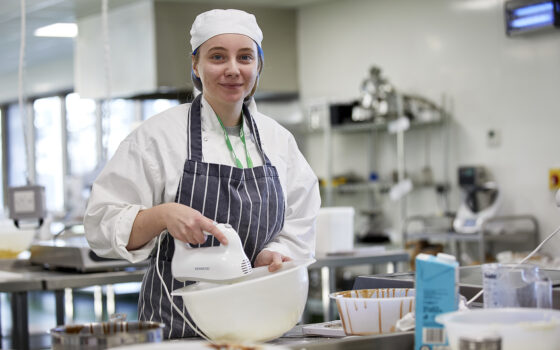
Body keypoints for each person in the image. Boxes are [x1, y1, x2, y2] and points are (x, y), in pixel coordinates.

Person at [84, 9, 320, 339]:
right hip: (177, 328)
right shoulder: (159, 136)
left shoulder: (279, 141)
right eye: (218, 57)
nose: (233, 70)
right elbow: (100, 222)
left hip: (260, 325)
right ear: (195, 65)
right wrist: (162, 215)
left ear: (258, 65)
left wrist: (276, 252)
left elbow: (301, 218)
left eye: (245, 57)